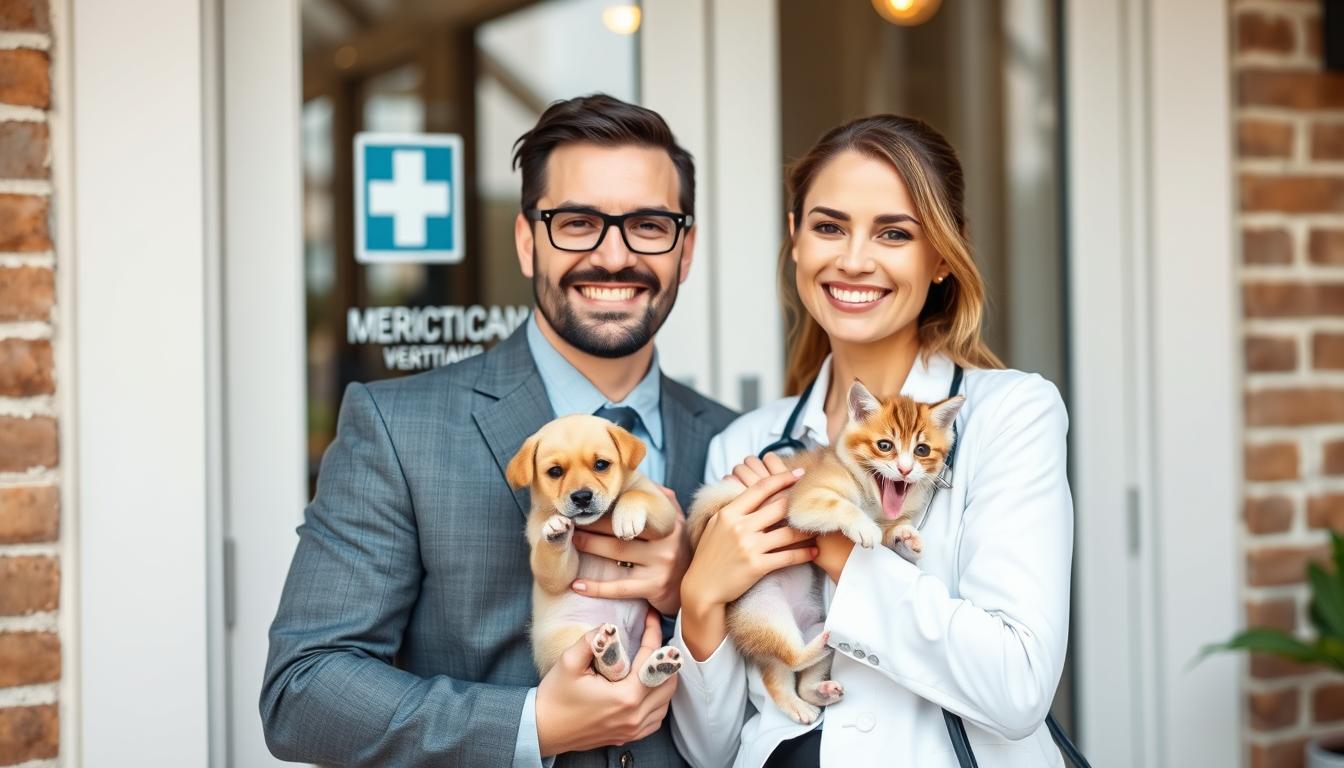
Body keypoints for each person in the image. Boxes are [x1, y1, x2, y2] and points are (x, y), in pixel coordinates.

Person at [260, 93, 743, 767]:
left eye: (648, 224)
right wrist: (532, 724)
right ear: (526, 241)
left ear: (684, 250)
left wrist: (689, 587)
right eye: (576, 223)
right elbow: (302, 692)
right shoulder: (398, 431)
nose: (613, 256)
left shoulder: (736, 443)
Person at [671, 115, 1073, 767]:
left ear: (942, 255)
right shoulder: (745, 445)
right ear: (796, 240)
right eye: (829, 226)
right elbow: (708, 749)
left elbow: (1017, 687)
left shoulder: (1010, 414)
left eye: (893, 233)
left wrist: (837, 548)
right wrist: (700, 600)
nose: (854, 259)